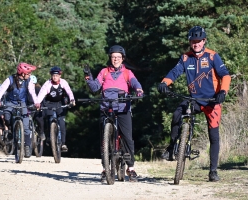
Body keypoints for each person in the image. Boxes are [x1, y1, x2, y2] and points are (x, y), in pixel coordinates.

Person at [157, 26, 231, 182]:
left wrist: (222, 92)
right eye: (193, 41)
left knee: (214, 136)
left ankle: (213, 171)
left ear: (204, 41)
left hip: (212, 101)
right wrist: (165, 82)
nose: (196, 44)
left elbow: (225, 75)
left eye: (198, 41)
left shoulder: (212, 56)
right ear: (190, 42)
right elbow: (175, 72)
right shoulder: (185, 58)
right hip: (194, 99)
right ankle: (172, 149)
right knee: (177, 113)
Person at [83, 45, 144, 182]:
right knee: (103, 141)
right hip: (106, 108)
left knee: (128, 138)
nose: (115, 59)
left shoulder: (128, 73)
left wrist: (139, 90)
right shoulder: (104, 72)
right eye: (113, 57)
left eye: (118, 57)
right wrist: (88, 77)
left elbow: (135, 84)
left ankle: (131, 168)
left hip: (123, 108)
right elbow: (95, 88)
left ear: (122, 58)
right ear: (110, 58)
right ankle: (105, 169)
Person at [0, 62, 40, 158]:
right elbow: (2, 90)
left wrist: (36, 102)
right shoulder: (10, 79)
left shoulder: (29, 81)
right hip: (10, 102)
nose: (30, 75)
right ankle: (10, 132)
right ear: (22, 73)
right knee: (7, 117)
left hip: (22, 103)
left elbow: (32, 92)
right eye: (28, 73)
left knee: (26, 125)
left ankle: (27, 146)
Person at [36, 66, 75, 152]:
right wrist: (38, 103)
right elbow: (42, 93)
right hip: (49, 103)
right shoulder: (48, 84)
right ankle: (50, 138)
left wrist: (72, 100)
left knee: (61, 122)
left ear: (60, 76)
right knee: (50, 118)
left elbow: (69, 91)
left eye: (57, 76)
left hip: (60, 104)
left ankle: (63, 143)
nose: (55, 77)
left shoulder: (63, 82)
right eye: (53, 75)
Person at [27, 75, 46, 141]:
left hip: (37, 108)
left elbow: (42, 99)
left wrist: (42, 106)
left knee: (39, 120)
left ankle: (41, 133)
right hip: (28, 108)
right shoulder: (26, 90)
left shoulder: (38, 89)